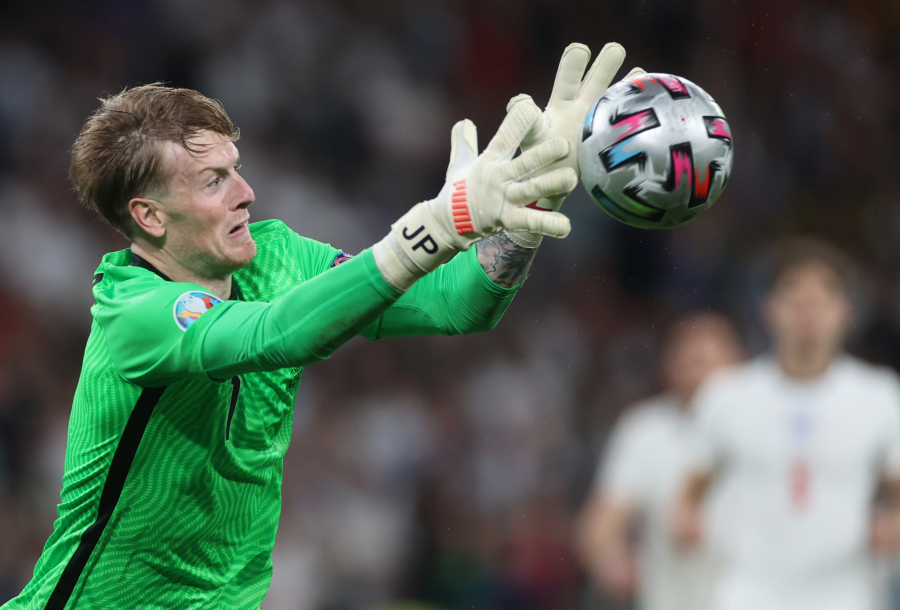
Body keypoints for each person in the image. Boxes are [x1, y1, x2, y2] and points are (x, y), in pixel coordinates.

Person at [2, 43, 641, 610]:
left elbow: (454, 304)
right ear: (150, 217)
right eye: (213, 181)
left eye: (236, 167)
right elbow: (275, 334)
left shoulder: (279, 256)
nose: (246, 192)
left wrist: (528, 202)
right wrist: (435, 226)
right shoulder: (132, 313)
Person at [673, 239, 900, 610]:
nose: (808, 315)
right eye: (796, 302)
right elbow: (689, 489)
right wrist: (685, 520)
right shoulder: (726, 396)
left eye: (821, 302)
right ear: (768, 309)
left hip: (844, 595)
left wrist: (892, 524)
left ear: (846, 312)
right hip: (746, 593)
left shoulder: (879, 396)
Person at [577, 312, 743, 610]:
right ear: (668, 367)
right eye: (687, 361)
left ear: (737, 365)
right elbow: (601, 523)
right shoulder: (645, 430)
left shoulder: (760, 427)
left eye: (705, 362)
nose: (696, 374)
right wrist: (612, 560)